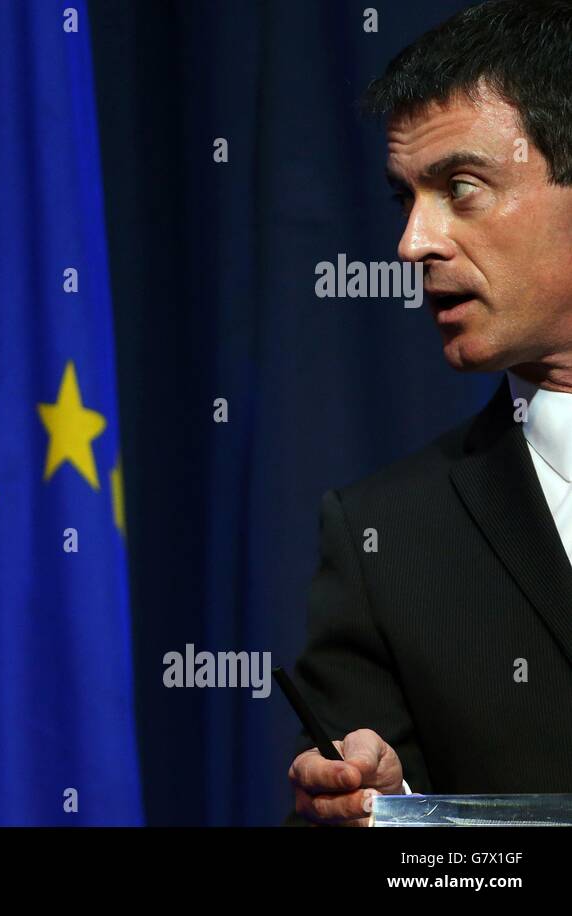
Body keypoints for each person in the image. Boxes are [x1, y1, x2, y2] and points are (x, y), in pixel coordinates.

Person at [289, 0, 572, 826]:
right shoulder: (384, 540)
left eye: (461, 188)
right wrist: (398, 816)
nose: (413, 244)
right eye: (405, 199)